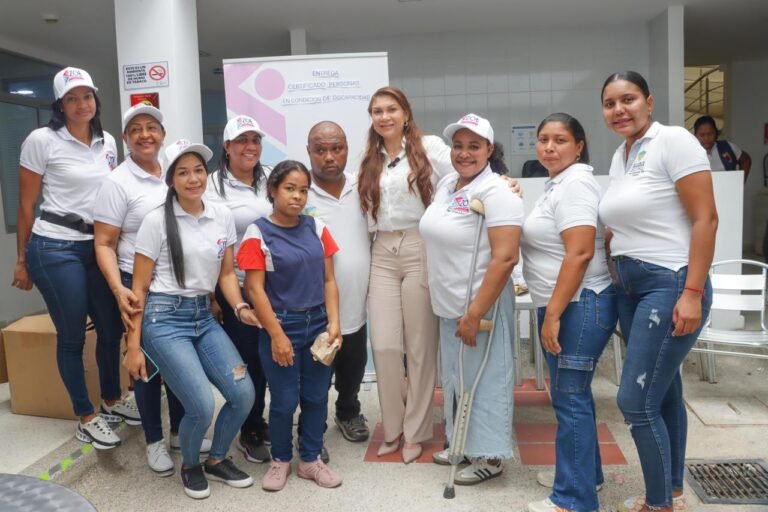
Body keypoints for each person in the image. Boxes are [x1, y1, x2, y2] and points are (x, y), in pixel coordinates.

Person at [599, 71, 717, 512]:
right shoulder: (622, 153)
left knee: (635, 399)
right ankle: (673, 491)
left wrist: (691, 292)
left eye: (628, 99)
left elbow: (706, 219)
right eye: (610, 103)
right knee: (663, 392)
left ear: (648, 101)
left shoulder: (675, 141)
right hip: (632, 286)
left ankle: (657, 504)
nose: (619, 110)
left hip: (670, 281)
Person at [12, 66, 138, 449]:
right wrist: (21, 259)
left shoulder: (109, 141)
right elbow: (26, 203)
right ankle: (86, 416)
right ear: (60, 105)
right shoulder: (42, 140)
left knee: (111, 327)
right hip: (55, 245)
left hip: (99, 246)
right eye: (72, 98)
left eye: (87, 96)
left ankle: (112, 400)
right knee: (71, 336)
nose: (82, 104)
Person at [125, 139, 257, 499]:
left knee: (243, 394)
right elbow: (139, 290)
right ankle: (190, 466)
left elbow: (227, 275)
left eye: (198, 170)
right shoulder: (155, 221)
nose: (193, 178)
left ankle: (216, 460)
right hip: (164, 320)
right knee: (199, 404)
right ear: (170, 179)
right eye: (183, 172)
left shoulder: (221, 215)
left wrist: (241, 307)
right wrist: (133, 346)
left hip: (203, 316)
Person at [94, 104, 214, 476]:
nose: (145, 135)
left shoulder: (176, 170)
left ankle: (179, 431)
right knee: (147, 365)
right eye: (135, 129)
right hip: (137, 282)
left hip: (177, 283)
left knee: (180, 363)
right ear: (126, 138)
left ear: (162, 134)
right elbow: (103, 242)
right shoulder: (118, 182)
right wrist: (118, 289)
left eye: (152, 128)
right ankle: (153, 440)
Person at [522, 113, 617, 512]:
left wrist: (553, 314)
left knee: (570, 399)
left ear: (579, 146)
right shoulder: (559, 184)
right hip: (570, 304)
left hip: (579, 306)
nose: (548, 147)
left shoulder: (576, 184)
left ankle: (573, 500)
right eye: (543, 139)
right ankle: (583, 477)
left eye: (559, 140)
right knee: (574, 396)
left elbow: (579, 253)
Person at [419, 114, 522, 484]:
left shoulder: (497, 192)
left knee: (486, 379)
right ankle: (461, 442)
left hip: (481, 305)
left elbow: (506, 257)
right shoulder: (448, 183)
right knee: (457, 379)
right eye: (459, 146)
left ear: (489, 150)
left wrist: (475, 313)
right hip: (448, 301)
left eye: (474, 146)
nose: (465, 153)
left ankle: (491, 457)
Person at [357, 86, 454, 464]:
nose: (384, 117)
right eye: (377, 111)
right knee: (383, 345)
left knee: (419, 347)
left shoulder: (429, 148)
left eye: (391, 109)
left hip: (419, 247)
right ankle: (392, 428)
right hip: (382, 250)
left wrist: (503, 182)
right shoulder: (370, 158)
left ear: (406, 113)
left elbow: (469, 168)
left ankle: (415, 431)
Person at [238, 160, 343, 492]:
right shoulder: (258, 231)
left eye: (303, 190)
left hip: (318, 325)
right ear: (272, 190)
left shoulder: (317, 227)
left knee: (315, 396)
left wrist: (335, 323)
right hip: (281, 324)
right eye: (289, 188)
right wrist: (277, 335)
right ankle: (281, 459)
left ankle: (310, 460)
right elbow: (254, 289)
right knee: (283, 399)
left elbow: (329, 279)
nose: (297, 196)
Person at [204, 115, 272, 464]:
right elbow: (206, 240)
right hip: (237, 288)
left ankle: (261, 418)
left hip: (275, 284)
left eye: (255, 140)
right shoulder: (212, 186)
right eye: (242, 140)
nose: (250, 147)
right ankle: (250, 428)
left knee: (273, 357)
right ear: (226, 147)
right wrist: (215, 296)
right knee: (248, 360)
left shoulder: (272, 178)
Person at [305, 121, 371, 446]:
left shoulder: (363, 187)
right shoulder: (299, 192)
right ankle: (311, 425)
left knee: (353, 369)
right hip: (315, 309)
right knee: (316, 375)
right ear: (309, 153)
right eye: (320, 150)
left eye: (337, 148)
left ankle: (348, 411)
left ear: (347, 149)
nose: (329, 157)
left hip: (356, 304)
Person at [693, 115, 751, 180]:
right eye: (702, 135)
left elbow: (746, 160)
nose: (706, 138)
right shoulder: (691, 154)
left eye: (710, 134)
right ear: (695, 136)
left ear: (716, 133)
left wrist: (740, 182)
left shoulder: (727, 147)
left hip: (728, 189)